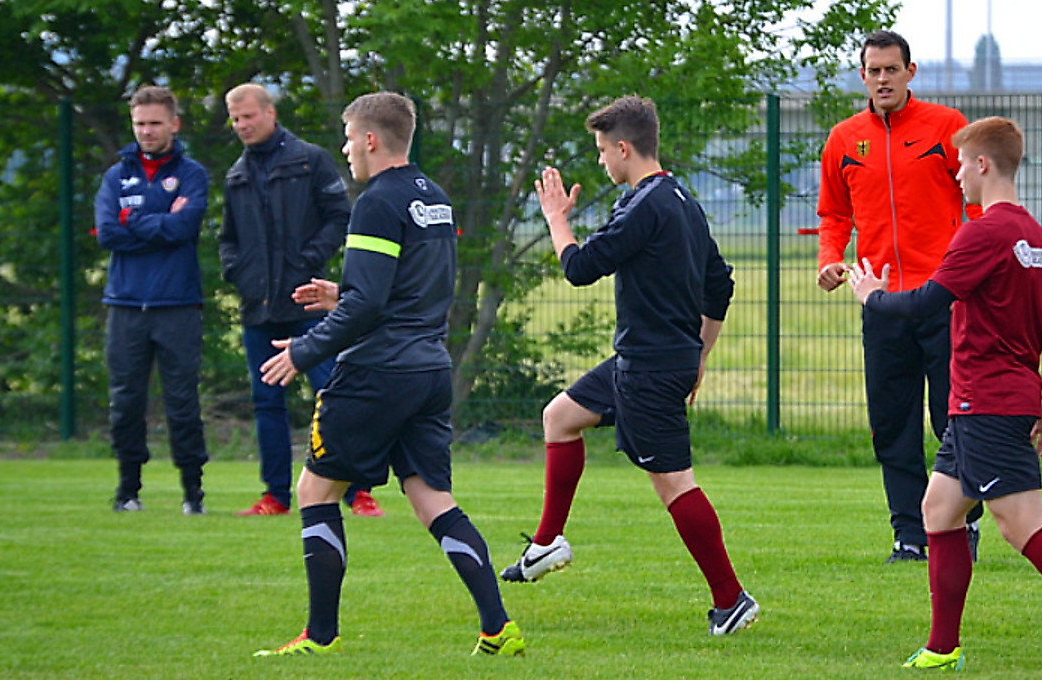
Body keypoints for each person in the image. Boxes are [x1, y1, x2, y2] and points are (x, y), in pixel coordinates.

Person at [848, 116, 1042, 673]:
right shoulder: (1040, 239)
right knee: (938, 510)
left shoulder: (982, 233)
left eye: (960, 164)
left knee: (1023, 526)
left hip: (987, 403)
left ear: (982, 164)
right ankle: (943, 647)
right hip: (990, 402)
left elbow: (926, 303)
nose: (956, 176)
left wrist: (872, 297)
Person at [251, 91, 524, 657]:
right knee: (431, 499)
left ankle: (320, 637)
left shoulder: (376, 202)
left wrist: (304, 350)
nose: (345, 148)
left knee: (315, 491)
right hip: (428, 371)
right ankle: (498, 628)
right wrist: (344, 294)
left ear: (371, 139)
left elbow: (369, 306)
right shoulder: (434, 197)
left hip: (376, 373)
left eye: (349, 138)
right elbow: (406, 291)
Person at [500, 95, 755, 637]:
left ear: (623, 148)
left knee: (674, 484)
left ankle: (731, 600)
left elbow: (579, 267)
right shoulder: (681, 199)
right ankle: (546, 543)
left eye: (601, 151)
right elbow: (719, 285)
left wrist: (555, 219)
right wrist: (700, 355)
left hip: (650, 370)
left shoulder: (645, 206)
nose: (600, 161)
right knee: (559, 417)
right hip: (647, 360)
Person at [816, 30, 983, 563]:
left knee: (951, 418)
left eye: (892, 69)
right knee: (892, 424)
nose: (883, 79)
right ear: (862, 76)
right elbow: (833, 215)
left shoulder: (946, 126)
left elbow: (976, 201)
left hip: (943, 299)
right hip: (881, 301)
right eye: (874, 70)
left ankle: (962, 524)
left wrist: (970, 267)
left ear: (911, 72)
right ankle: (908, 535)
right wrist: (829, 259)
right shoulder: (843, 139)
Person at [220, 83, 384, 518]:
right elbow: (228, 239)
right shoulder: (236, 175)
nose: (242, 125)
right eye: (235, 119)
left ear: (270, 113)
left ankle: (358, 492)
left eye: (248, 116)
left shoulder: (310, 160)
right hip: (258, 309)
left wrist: (306, 262)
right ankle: (275, 495)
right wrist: (238, 273)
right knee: (266, 403)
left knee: (333, 395)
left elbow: (338, 217)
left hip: (308, 305)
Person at [95, 85, 210, 515]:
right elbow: (108, 234)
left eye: (155, 123)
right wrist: (159, 221)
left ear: (173, 124)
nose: (146, 131)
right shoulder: (115, 176)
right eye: (140, 123)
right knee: (125, 403)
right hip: (125, 305)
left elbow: (184, 229)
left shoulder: (192, 174)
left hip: (177, 304)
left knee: (182, 403)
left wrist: (134, 220)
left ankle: (193, 494)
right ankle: (128, 490)